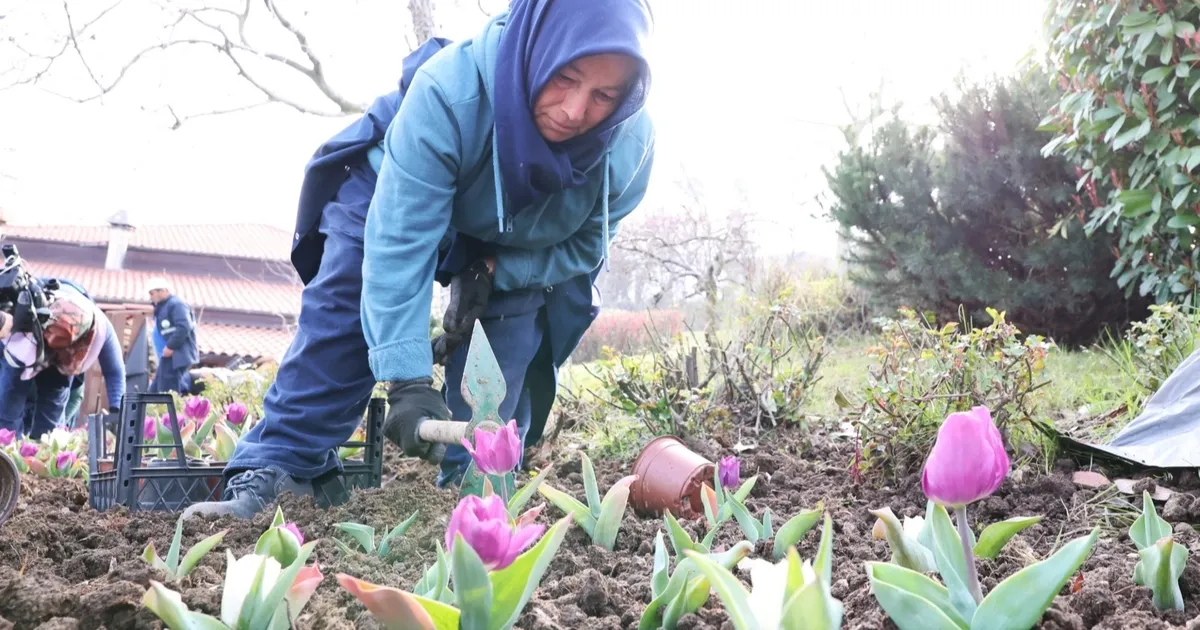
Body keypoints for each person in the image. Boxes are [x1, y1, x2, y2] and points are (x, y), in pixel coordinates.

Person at [183, 0, 655, 519]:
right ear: (536, 52)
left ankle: (473, 495)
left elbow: (585, 247)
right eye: (564, 78)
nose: (574, 110)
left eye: (603, 96)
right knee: (349, 306)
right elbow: (399, 244)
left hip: (513, 235)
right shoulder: (451, 94)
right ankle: (282, 466)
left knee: (507, 345)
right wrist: (408, 381)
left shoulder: (626, 150)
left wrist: (497, 272)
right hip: (397, 190)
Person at [0, 278, 126, 438]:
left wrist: (117, 411)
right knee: (8, 414)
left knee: (49, 427)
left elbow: (115, 371)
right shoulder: (22, 320)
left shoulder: (101, 328)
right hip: (29, 347)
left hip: (64, 368)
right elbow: (10, 403)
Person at [146, 277, 197, 394]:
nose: (151, 297)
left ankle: (167, 412)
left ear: (162, 290)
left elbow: (184, 326)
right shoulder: (164, 307)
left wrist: (171, 346)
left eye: (152, 293)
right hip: (168, 357)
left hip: (176, 355)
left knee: (167, 391)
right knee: (155, 390)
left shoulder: (176, 304)